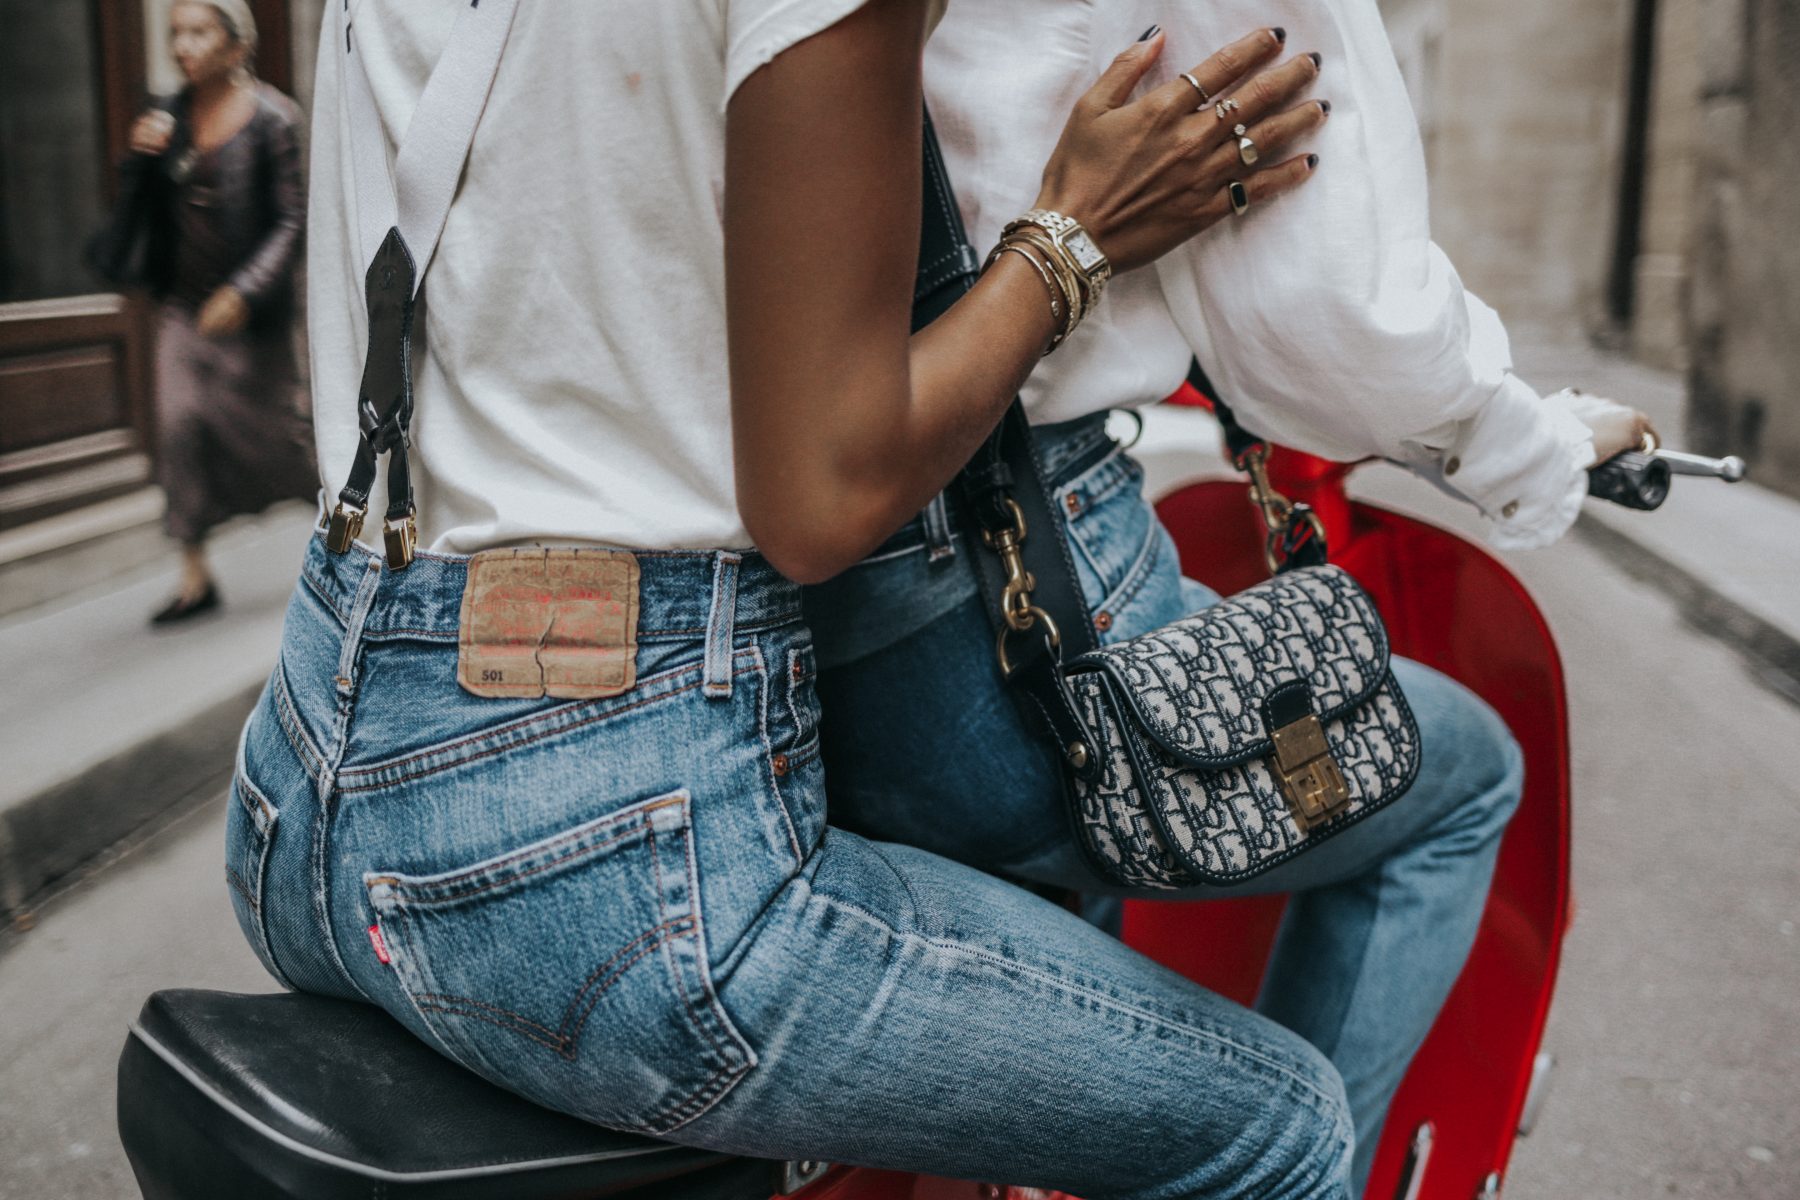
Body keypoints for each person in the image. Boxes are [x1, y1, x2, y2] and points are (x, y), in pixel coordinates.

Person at [230, 4, 1390, 1197]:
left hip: (304, 774)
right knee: (1281, 1124)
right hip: (609, 851)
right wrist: (1074, 236)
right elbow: (827, 493)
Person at [804, 4, 1652, 1195]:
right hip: (1023, 579)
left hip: (797, 596)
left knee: (1093, 836)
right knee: (1464, 778)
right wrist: (1528, 444)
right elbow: (1335, 312)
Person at [122, 0, 315, 624]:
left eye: (199, 31)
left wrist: (247, 290)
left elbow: (292, 218)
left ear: (237, 45)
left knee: (282, 443)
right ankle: (194, 575)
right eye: (176, 33)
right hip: (183, 308)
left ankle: (346, 540)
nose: (184, 45)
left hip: (249, 315)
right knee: (177, 427)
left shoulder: (273, 118)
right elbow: (139, 213)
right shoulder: (167, 116)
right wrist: (142, 160)